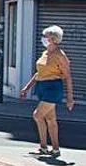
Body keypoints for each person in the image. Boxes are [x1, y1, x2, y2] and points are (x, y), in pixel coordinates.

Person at [19, 25, 75, 157]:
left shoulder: (60, 56)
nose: (43, 38)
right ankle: (54, 149)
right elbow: (39, 73)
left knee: (37, 115)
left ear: (54, 39)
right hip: (42, 87)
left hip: (53, 88)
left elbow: (68, 76)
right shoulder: (45, 53)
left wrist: (70, 98)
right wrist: (27, 88)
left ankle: (43, 146)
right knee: (50, 119)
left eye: (46, 36)